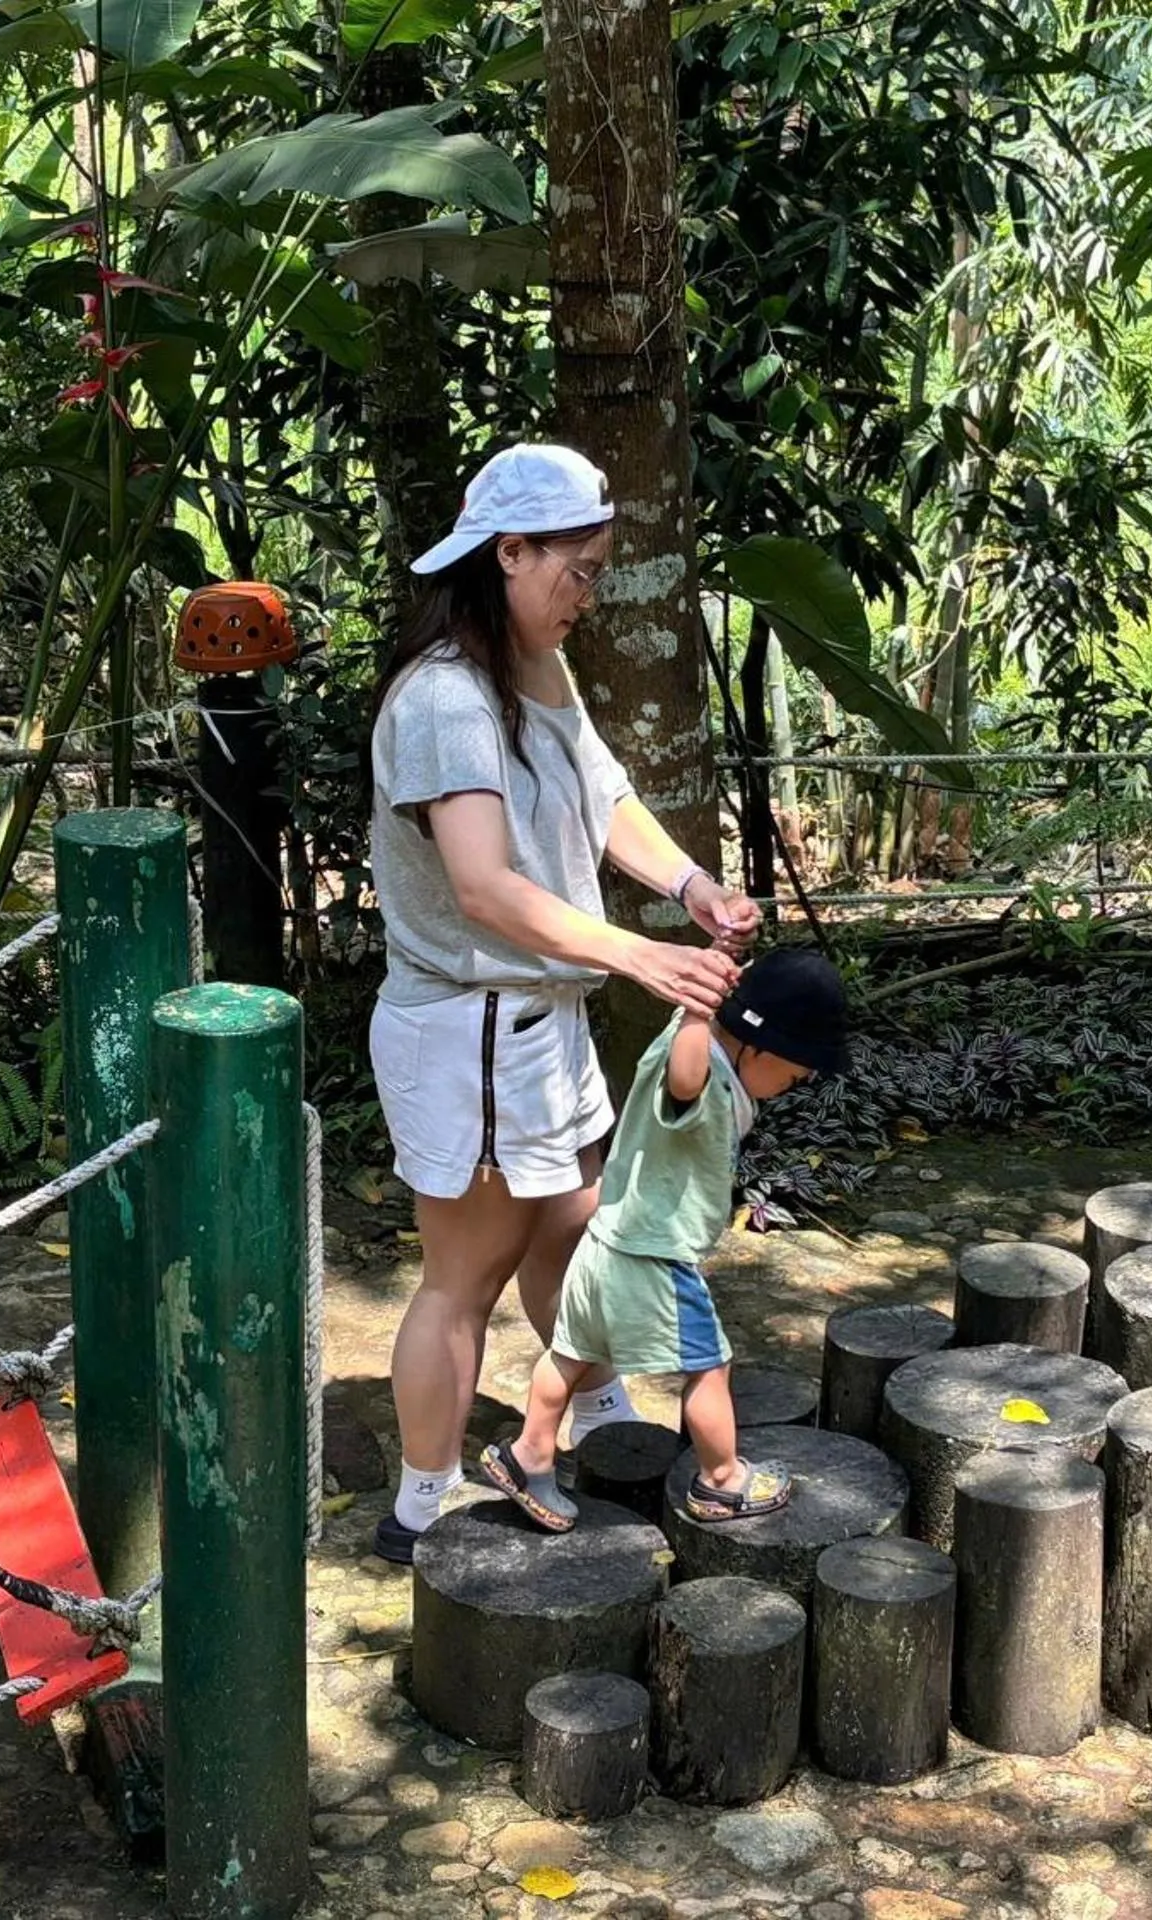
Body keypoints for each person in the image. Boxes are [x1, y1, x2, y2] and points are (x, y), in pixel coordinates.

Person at [367, 442, 763, 1564]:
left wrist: (688, 886)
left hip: (539, 1023)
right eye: (576, 570)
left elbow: (601, 793)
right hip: (475, 1029)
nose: (588, 591)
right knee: (463, 1277)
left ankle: (584, 1418)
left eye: (597, 569)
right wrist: (644, 960)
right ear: (509, 553)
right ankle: (421, 1503)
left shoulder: (533, 665)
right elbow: (486, 886)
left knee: (576, 1228)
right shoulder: (446, 697)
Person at [479, 948, 847, 1530]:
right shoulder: (703, 1074)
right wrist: (702, 1010)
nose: (793, 1085)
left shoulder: (681, 1034)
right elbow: (686, 1080)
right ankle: (723, 1480)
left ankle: (528, 1453)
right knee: (709, 1368)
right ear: (761, 1044)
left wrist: (712, 982)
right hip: (656, 1257)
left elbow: (693, 1044)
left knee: (570, 1354)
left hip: (604, 1244)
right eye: (795, 1073)